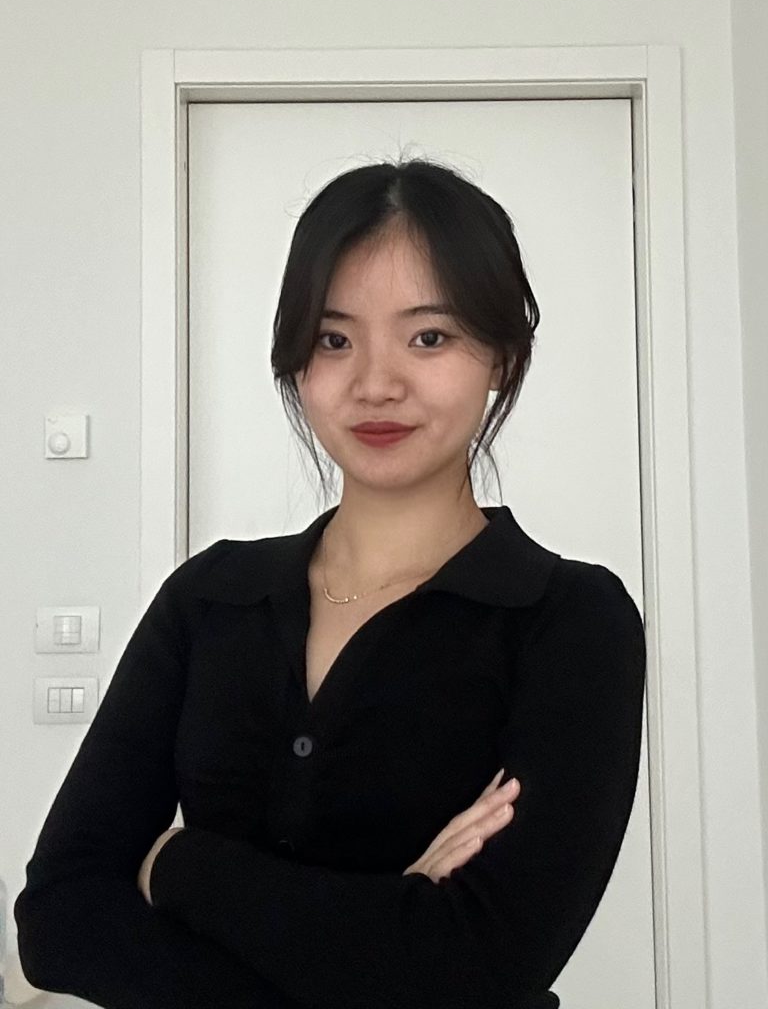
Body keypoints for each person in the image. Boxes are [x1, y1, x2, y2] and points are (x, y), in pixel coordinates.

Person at [14, 158, 647, 1009]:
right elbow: (57, 920)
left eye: (429, 337)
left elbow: (475, 970)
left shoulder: (570, 622)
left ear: (502, 353)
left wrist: (176, 864)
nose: (375, 383)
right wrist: (387, 934)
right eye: (334, 340)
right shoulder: (209, 599)